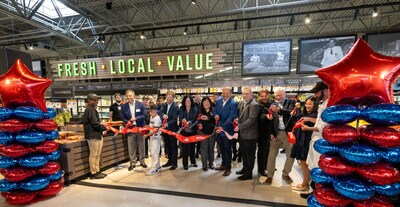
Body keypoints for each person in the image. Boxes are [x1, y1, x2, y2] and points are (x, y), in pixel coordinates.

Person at [300, 81, 329, 199]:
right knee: (313, 166)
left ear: (325, 91)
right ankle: (315, 192)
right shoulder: (323, 104)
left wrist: (308, 128)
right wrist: (309, 119)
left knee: (318, 168)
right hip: (316, 141)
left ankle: (318, 195)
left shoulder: (329, 105)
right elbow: (319, 121)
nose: (315, 96)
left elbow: (323, 127)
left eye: (317, 92)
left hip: (321, 142)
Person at [265, 87, 296, 185]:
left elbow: (290, 112)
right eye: (276, 95)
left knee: (290, 155)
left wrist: (278, 110)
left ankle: (285, 173)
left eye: (280, 95)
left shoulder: (291, 102)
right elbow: (270, 121)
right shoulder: (272, 104)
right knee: (271, 154)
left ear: (285, 94)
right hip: (275, 132)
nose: (278, 97)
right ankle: (270, 175)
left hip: (288, 133)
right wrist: (270, 133)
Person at [291, 98, 319, 191]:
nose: (307, 106)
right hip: (301, 142)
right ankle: (305, 183)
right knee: (304, 163)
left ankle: (305, 184)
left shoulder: (316, 115)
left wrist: (309, 119)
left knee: (306, 164)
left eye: (310, 104)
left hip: (307, 143)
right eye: (306, 104)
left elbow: (319, 122)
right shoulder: (305, 114)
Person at [82, 93, 109, 179]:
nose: (96, 101)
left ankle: (97, 171)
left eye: (97, 100)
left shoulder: (92, 110)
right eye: (94, 100)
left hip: (97, 135)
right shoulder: (89, 110)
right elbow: (95, 123)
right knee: (94, 154)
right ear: (89, 101)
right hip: (92, 135)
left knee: (97, 154)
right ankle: (93, 173)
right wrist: (105, 128)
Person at [235, 87, 259, 180]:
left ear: (251, 94)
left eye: (247, 93)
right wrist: (236, 119)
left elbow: (251, 120)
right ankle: (245, 169)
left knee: (250, 155)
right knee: (244, 153)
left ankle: (249, 174)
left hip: (250, 135)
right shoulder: (241, 103)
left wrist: (239, 126)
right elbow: (240, 116)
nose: (245, 95)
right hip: (242, 134)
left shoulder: (254, 105)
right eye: (243, 93)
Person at [120, 89, 147, 171]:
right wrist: (128, 122)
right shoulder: (124, 107)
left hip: (140, 128)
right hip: (130, 129)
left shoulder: (141, 105)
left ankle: (142, 161)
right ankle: (132, 163)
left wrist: (136, 118)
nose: (129, 97)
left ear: (134, 96)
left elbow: (144, 115)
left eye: (130, 96)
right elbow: (123, 118)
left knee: (141, 145)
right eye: (127, 96)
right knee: (131, 146)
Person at [214, 87, 238, 176]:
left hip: (227, 130)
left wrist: (222, 127)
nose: (225, 95)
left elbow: (231, 117)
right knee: (222, 149)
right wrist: (216, 115)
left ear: (230, 94)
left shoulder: (233, 104)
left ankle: (228, 168)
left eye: (227, 93)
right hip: (219, 129)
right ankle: (223, 164)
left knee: (227, 149)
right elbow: (215, 111)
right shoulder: (219, 100)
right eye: (223, 93)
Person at [159, 90, 180, 170]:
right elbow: (160, 112)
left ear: (173, 97)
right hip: (165, 129)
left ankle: (174, 163)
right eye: (167, 97)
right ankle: (169, 161)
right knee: (167, 146)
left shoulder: (176, 107)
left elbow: (174, 119)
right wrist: (163, 115)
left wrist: (167, 124)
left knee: (173, 146)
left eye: (170, 97)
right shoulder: (164, 104)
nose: (168, 98)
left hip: (172, 129)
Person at [179, 95, 199, 170]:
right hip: (184, 131)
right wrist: (183, 121)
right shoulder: (181, 108)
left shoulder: (195, 109)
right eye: (186, 101)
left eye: (189, 101)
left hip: (192, 130)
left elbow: (194, 119)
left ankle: (193, 161)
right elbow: (180, 117)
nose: (188, 102)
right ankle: (185, 163)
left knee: (192, 147)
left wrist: (189, 123)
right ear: (184, 102)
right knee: (184, 148)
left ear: (191, 101)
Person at [257, 89, 273, 177]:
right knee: (262, 150)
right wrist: (266, 116)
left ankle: (267, 166)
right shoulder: (258, 105)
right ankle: (261, 169)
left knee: (268, 150)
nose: (264, 97)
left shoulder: (271, 103)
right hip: (261, 131)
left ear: (268, 95)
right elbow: (257, 117)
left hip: (270, 130)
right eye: (262, 96)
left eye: (265, 95)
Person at [198, 96, 216, 171]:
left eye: (207, 102)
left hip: (212, 133)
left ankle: (211, 163)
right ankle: (204, 165)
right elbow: (197, 120)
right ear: (202, 103)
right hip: (203, 133)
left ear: (210, 103)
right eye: (204, 102)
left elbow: (215, 121)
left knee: (211, 149)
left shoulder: (214, 111)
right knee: (204, 149)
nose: (206, 103)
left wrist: (208, 118)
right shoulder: (200, 111)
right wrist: (199, 124)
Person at [144, 103, 162, 176]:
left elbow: (155, 130)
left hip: (156, 137)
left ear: (156, 110)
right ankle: (158, 165)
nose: (150, 113)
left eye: (152, 111)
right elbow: (151, 125)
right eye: (149, 111)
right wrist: (146, 126)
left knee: (154, 152)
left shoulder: (157, 118)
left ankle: (154, 168)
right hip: (152, 136)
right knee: (153, 151)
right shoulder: (152, 117)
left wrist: (147, 135)